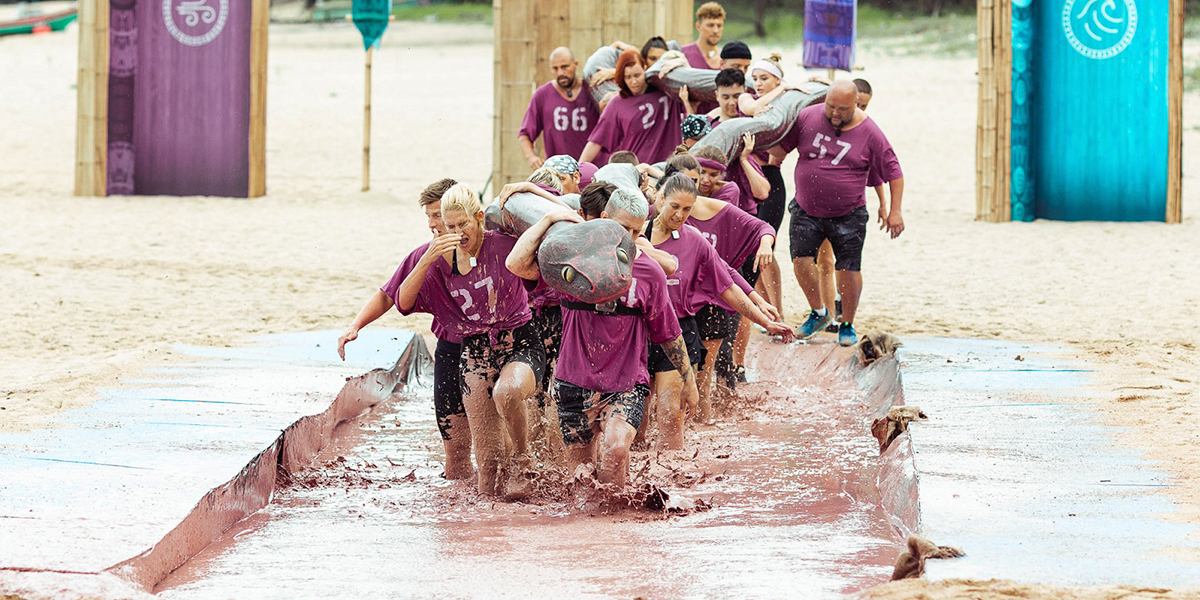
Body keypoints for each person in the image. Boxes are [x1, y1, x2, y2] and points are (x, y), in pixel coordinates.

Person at [506, 187, 697, 489]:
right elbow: (516, 264)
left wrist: (689, 381)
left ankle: (619, 532)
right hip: (573, 382)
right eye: (623, 228)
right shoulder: (570, 262)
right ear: (605, 220)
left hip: (627, 382)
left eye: (637, 230)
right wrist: (549, 218)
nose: (630, 237)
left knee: (617, 449)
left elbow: (668, 333)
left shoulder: (649, 272)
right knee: (581, 479)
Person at [394, 183, 547, 499]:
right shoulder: (439, 257)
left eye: (463, 224)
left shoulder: (504, 244)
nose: (457, 233)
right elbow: (403, 302)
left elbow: (549, 233)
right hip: (475, 352)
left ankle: (523, 458)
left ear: (479, 217)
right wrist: (427, 258)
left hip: (519, 341)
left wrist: (532, 189)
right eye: (450, 226)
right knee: (488, 464)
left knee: (507, 392)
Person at [338, 178, 474, 481]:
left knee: (495, 439)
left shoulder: (493, 248)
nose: (432, 224)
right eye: (428, 216)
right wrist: (356, 325)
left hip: (493, 349)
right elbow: (390, 295)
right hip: (450, 350)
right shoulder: (423, 255)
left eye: (437, 215)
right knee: (454, 447)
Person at [646, 173, 790, 437]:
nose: (680, 215)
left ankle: (678, 471)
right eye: (675, 207)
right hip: (640, 333)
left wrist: (764, 321)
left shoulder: (695, 240)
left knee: (669, 417)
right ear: (660, 198)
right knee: (639, 426)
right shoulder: (635, 233)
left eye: (687, 209)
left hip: (678, 332)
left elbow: (729, 286)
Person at [777, 80, 905, 346]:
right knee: (801, 261)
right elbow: (780, 148)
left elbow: (894, 172)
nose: (835, 113)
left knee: (847, 269)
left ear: (855, 104)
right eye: (830, 106)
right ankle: (819, 312)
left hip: (849, 213)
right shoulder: (808, 116)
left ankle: (847, 322)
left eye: (842, 109)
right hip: (805, 208)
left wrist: (894, 210)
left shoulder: (870, 131)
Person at [580, 50, 685, 166]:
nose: (634, 82)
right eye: (628, 77)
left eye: (637, 75)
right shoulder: (616, 103)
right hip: (637, 172)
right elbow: (595, 142)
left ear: (645, 69)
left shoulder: (667, 92)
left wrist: (682, 63)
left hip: (670, 169)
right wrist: (578, 169)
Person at [518, 47, 602, 169]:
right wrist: (531, 157)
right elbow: (524, 134)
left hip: (592, 170)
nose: (560, 73)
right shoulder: (542, 95)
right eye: (555, 68)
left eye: (564, 67)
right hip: (559, 173)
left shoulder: (593, 90)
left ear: (576, 64)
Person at [681, 2, 725, 70]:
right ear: (698, 26)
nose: (715, 31)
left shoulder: (725, 58)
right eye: (710, 25)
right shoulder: (683, 54)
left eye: (719, 26)